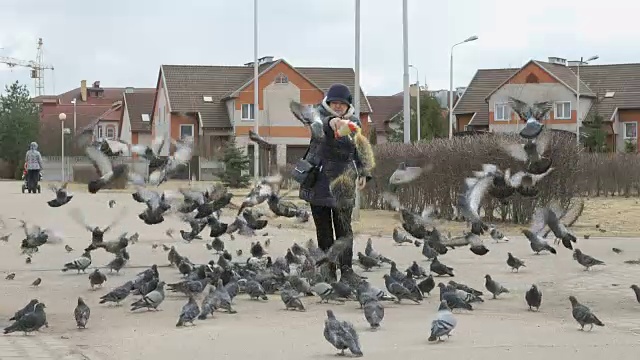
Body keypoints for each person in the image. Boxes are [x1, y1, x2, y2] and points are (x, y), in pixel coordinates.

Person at [299, 83, 375, 279]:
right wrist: (333, 122)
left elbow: (360, 149)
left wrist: (364, 172)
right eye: (335, 102)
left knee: (344, 230)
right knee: (324, 231)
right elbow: (321, 125)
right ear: (328, 102)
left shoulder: (354, 122)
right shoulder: (318, 115)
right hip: (319, 183)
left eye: (342, 103)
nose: (338, 106)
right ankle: (328, 272)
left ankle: (347, 271)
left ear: (348, 105)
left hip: (344, 184)